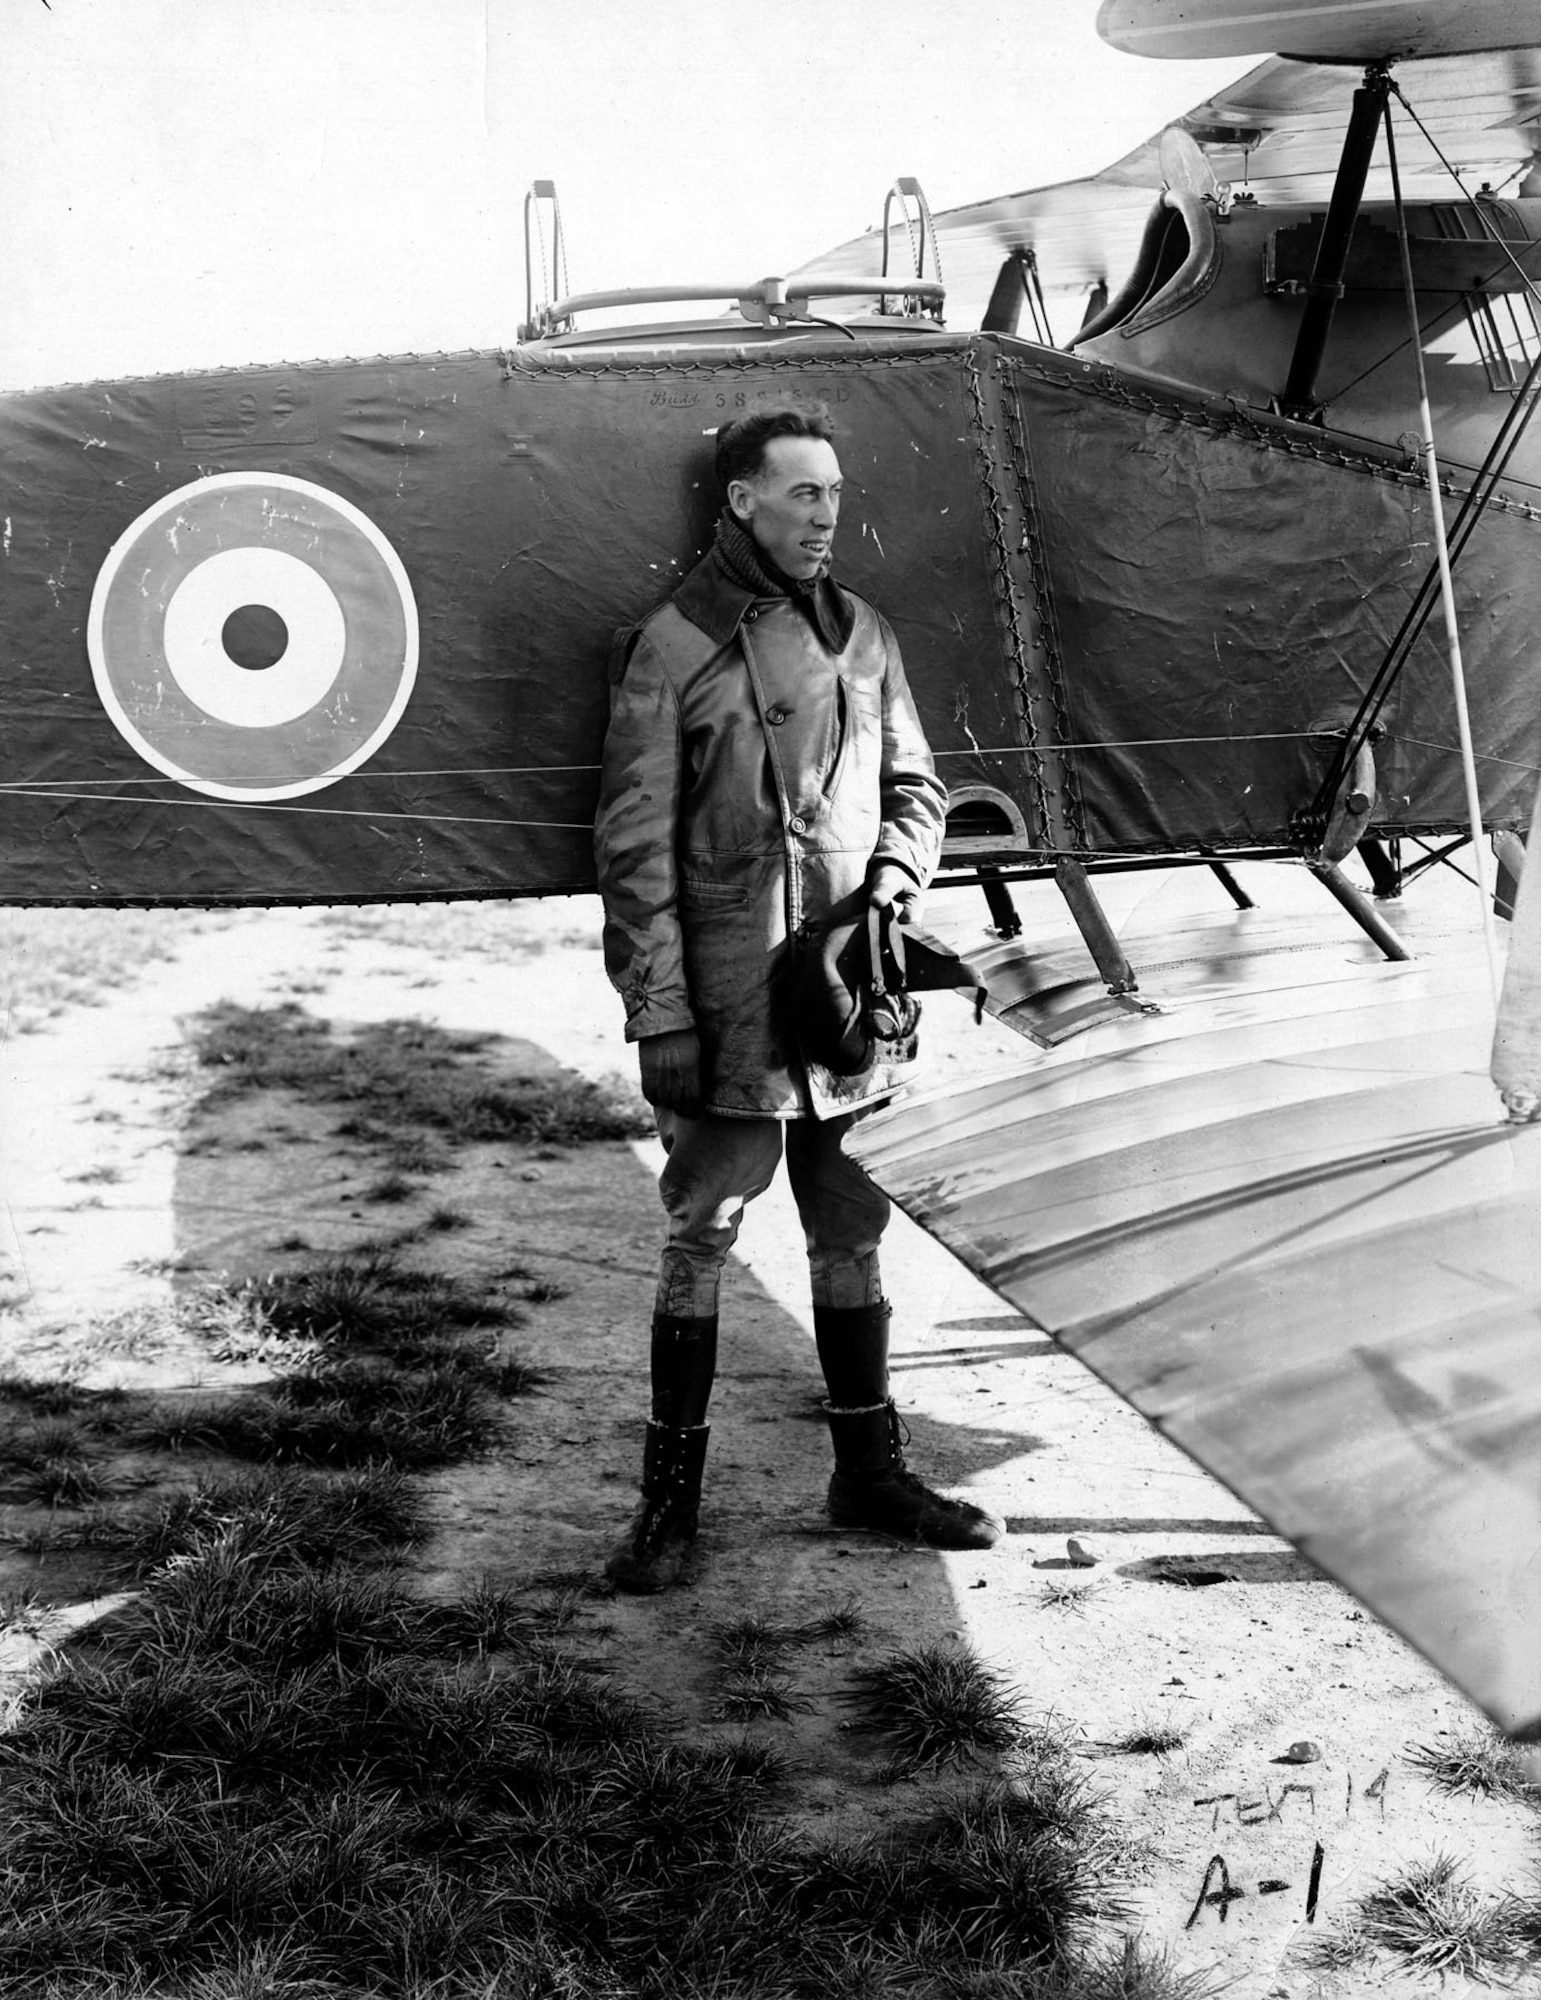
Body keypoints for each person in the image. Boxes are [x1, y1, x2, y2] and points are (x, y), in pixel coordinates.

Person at [593, 404, 1005, 1593]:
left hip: (847, 990)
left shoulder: (863, 632)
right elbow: (633, 857)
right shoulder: (670, 648)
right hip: (727, 999)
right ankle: (665, 1509)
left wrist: (889, 881)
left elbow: (916, 785)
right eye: (800, 494)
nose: (825, 514)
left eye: (832, 492)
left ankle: (867, 1472)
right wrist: (660, 1009)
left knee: (852, 1228)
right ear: (739, 501)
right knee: (703, 1230)